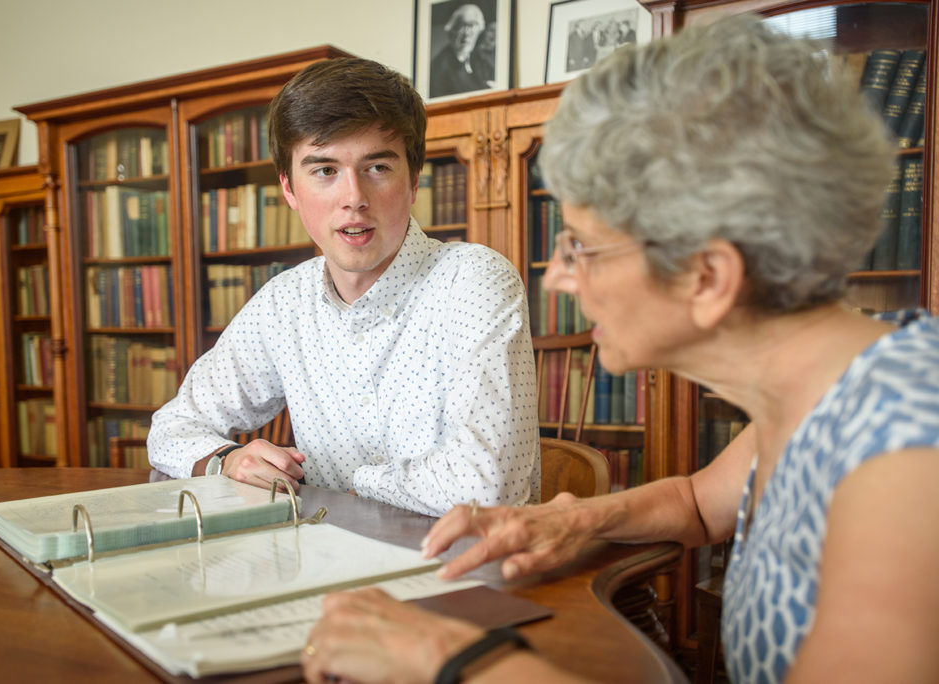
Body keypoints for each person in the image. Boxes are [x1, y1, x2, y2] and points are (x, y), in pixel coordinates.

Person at [299, 16, 939, 684]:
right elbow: (697, 504)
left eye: (582, 246)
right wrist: (573, 521)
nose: (560, 277)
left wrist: (443, 657)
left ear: (708, 277)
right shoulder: (822, 389)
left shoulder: (909, 452)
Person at [148, 57, 539, 517]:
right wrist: (226, 460)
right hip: (326, 563)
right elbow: (171, 427)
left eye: (376, 167)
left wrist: (357, 481)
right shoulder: (284, 302)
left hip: (462, 569)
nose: (353, 197)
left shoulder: (474, 279)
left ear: (413, 180)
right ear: (289, 190)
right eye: (325, 171)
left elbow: (486, 487)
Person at [430, 3, 491, 98]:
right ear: (451, 32)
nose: (466, 33)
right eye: (461, 26)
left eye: (471, 26)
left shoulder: (478, 59)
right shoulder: (440, 67)